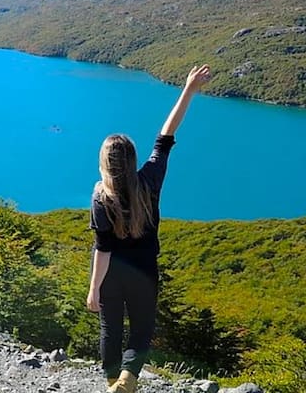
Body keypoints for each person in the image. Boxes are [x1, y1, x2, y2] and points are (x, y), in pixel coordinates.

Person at [86, 65, 212, 393]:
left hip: (111, 274)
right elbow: (165, 138)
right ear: (131, 160)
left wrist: (94, 288)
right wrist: (189, 89)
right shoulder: (149, 181)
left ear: (104, 163)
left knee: (109, 330)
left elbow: (103, 249)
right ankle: (127, 380)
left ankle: (113, 382)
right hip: (144, 271)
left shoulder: (101, 197)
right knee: (141, 329)